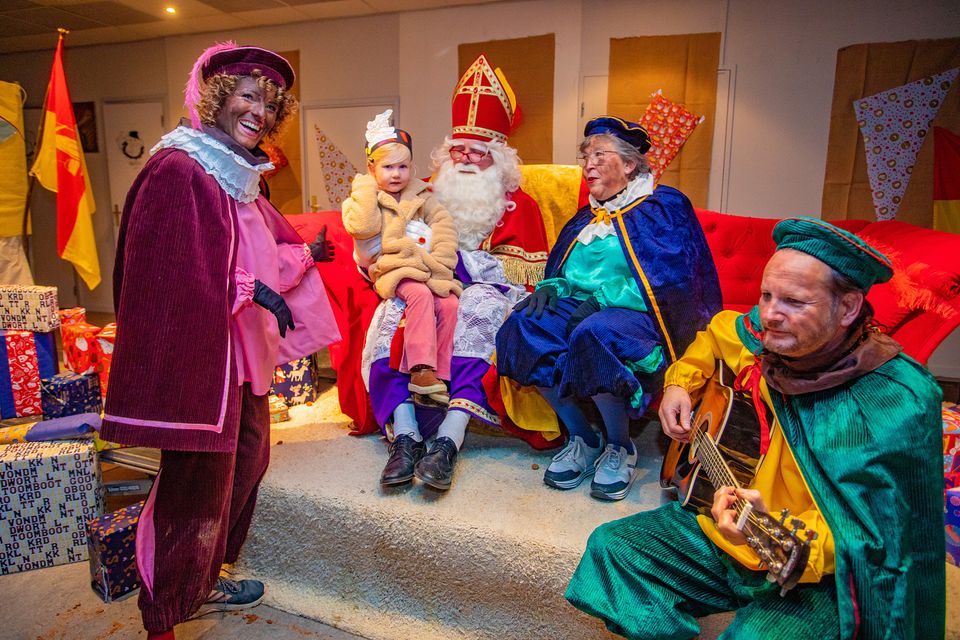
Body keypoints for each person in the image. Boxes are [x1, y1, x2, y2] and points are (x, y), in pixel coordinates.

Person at [565, 217, 945, 639]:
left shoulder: (895, 398)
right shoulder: (757, 334)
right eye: (766, 295)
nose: (769, 315)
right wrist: (678, 382)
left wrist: (781, 539)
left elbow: (886, 539)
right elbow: (714, 335)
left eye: (794, 302)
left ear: (849, 308)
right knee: (612, 549)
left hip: (813, 571)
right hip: (722, 535)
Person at [99, 42, 340, 640]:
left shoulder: (237, 177)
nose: (260, 110)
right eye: (248, 95)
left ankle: (201, 580)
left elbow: (252, 250)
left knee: (249, 461)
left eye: (270, 102)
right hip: (200, 363)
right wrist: (251, 289)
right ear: (214, 98)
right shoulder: (178, 168)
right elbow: (169, 268)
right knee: (192, 492)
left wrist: (290, 263)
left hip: (239, 359)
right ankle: (164, 616)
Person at [496, 115, 721, 501]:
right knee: (521, 327)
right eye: (586, 156)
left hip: (642, 314)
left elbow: (673, 282)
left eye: (600, 155)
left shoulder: (663, 206)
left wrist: (602, 299)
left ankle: (620, 446)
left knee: (593, 333)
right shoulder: (588, 215)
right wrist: (552, 287)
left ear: (630, 164)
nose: (589, 164)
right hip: (585, 307)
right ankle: (583, 437)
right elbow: (569, 269)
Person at [364, 54, 551, 491]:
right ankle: (406, 434)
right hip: (424, 280)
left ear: (498, 159)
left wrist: (463, 269)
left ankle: (450, 436)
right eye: (458, 149)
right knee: (391, 316)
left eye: (478, 152)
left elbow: (523, 273)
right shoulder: (426, 190)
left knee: (479, 312)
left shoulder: (518, 204)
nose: (465, 158)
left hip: (485, 289)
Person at [343, 109, 460, 405]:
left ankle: (439, 377)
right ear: (372, 169)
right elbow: (363, 227)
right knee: (419, 294)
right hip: (388, 268)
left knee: (448, 301)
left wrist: (443, 258)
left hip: (423, 264)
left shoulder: (421, 194)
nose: (396, 174)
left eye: (403, 167)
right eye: (388, 168)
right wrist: (366, 187)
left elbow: (443, 223)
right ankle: (421, 369)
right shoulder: (362, 198)